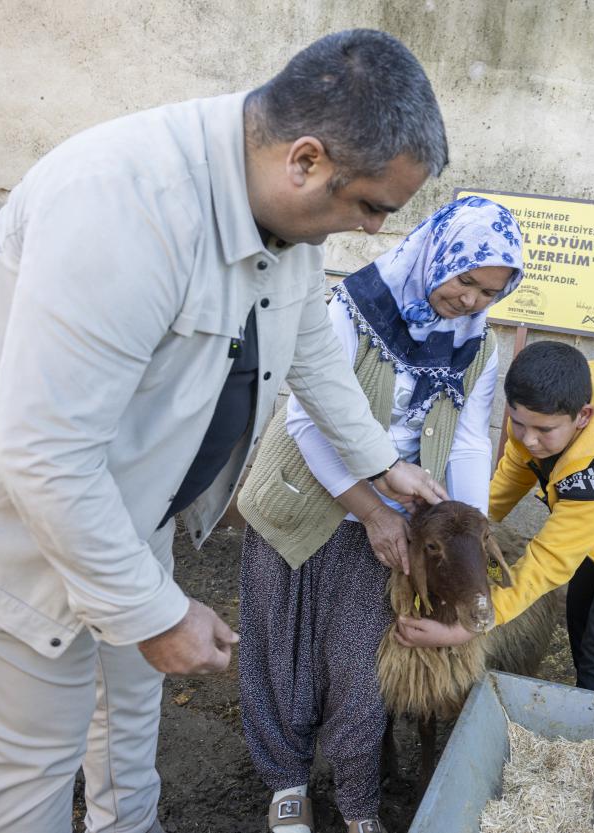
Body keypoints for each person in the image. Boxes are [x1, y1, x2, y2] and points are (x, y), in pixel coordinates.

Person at [0, 30, 453, 833]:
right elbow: (44, 455)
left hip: (126, 505)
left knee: (127, 714)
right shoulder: (122, 205)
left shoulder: (283, 215)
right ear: (306, 160)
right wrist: (154, 614)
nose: (375, 230)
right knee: (32, 756)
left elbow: (307, 341)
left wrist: (380, 462)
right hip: (1, 521)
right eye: (372, 206)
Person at [234, 196, 523, 833]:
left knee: (362, 671)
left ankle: (358, 803)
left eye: (489, 292)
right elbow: (307, 422)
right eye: (466, 280)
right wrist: (370, 510)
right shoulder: (354, 311)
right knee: (281, 653)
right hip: (302, 505)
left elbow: (469, 439)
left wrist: (464, 526)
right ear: (437, 256)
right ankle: (287, 784)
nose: (472, 300)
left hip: (395, 524)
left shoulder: (478, 345)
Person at [396, 341, 594, 698]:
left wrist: (473, 626)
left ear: (583, 416)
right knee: (580, 617)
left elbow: (552, 558)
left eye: (544, 431)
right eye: (518, 423)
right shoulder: (542, 414)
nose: (529, 440)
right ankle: (587, 698)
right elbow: (515, 472)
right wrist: (470, 527)